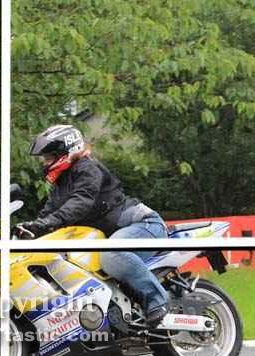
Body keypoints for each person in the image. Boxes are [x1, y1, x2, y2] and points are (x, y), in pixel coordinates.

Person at [18, 124, 170, 327]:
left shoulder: (88, 169)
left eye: (48, 157)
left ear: (65, 152)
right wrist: (30, 229)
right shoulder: (61, 184)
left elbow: (80, 201)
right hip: (115, 234)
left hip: (145, 225)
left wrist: (46, 223)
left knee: (112, 254)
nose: (44, 163)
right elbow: (48, 213)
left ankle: (157, 302)